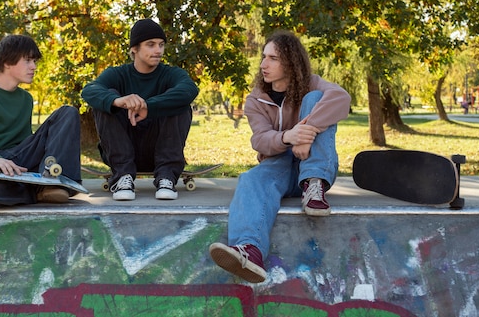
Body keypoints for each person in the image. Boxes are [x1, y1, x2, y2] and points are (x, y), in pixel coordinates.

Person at [209, 30, 351, 283]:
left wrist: (307, 133)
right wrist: (289, 137)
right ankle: (249, 251)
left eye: (273, 58)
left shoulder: (312, 83)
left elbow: (341, 99)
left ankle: (314, 184)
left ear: (291, 61)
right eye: (264, 57)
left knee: (316, 99)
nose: (264, 64)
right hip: (281, 166)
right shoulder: (256, 99)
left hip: (315, 161)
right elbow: (260, 139)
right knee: (250, 179)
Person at [0, 34, 82, 212]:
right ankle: (39, 192)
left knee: (68, 112)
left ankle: (54, 181)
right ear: (7, 62)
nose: (33, 67)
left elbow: (25, 142)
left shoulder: (26, 99)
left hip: (16, 162)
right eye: (27, 60)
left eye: (34, 61)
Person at [81, 18, 199, 201]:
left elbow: (190, 89)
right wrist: (118, 101)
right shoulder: (118, 74)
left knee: (180, 101)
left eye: (161, 45)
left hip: (160, 149)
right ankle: (122, 178)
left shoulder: (171, 74)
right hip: (122, 149)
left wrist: (148, 106)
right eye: (150, 45)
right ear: (134, 49)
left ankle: (167, 176)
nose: (158, 50)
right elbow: (89, 91)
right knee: (106, 100)